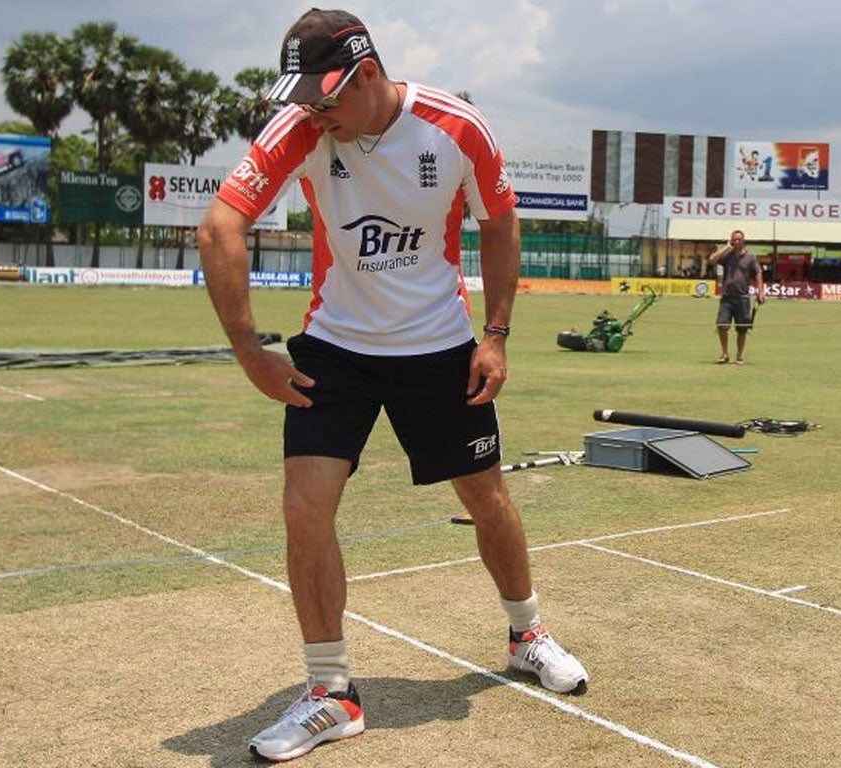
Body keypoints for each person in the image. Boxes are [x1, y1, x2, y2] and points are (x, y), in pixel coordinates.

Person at [197, 7, 588, 763]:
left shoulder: (456, 125)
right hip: (336, 348)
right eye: (303, 99)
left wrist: (497, 335)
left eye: (325, 97)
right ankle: (330, 693)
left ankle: (526, 633)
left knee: (486, 498)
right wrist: (251, 350)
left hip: (439, 347)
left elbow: (501, 224)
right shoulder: (302, 130)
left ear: (368, 74)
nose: (314, 113)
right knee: (304, 508)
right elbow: (220, 228)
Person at [707, 229, 765, 364]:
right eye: (734, 239)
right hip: (727, 298)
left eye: (739, 239)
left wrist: (760, 291)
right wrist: (727, 246)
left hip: (743, 298)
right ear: (731, 240)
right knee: (721, 326)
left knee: (742, 329)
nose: (737, 242)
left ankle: (739, 356)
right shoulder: (727, 256)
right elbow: (711, 260)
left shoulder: (751, 258)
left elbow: (758, 274)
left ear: (743, 241)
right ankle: (725, 353)